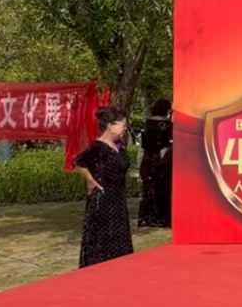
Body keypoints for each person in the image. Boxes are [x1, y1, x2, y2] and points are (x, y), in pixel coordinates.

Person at [72, 107, 134, 268]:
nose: (125, 128)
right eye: (122, 124)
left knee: (118, 232)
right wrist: (90, 180)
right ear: (110, 126)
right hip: (103, 197)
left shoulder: (118, 145)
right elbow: (79, 163)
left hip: (118, 195)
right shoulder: (98, 147)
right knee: (104, 235)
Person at [137, 99, 173, 228]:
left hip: (148, 159)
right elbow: (169, 144)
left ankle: (147, 217)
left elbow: (143, 145)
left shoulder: (146, 124)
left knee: (148, 189)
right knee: (162, 189)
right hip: (162, 159)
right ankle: (162, 217)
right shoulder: (167, 126)